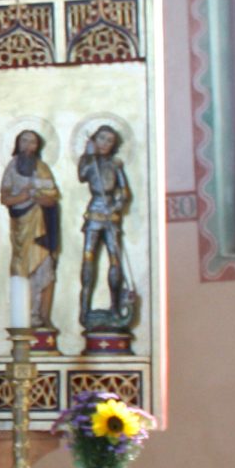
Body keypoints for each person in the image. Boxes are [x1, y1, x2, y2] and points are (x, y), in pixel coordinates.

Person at [0, 128, 61, 328]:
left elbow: (52, 198)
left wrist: (38, 197)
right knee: (22, 269)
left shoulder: (42, 167)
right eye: (24, 141)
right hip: (21, 228)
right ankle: (26, 316)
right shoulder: (11, 167)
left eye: (32, 142)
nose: (28, 146)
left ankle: (42, 316)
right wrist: (25, 196)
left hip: (40, 227)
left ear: (37, 146)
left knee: (44, 270)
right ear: (18, 144)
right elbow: (5, 198)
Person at [76, 124, 136, 327]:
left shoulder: (115, 165)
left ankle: (115, 308)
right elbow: (82, 176)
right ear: (94, 140)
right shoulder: (88, 162)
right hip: (94, 214)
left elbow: (125, 192)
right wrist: (89, 155)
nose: (105, 143)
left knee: (115, 259)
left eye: (109, 141)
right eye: (101, 139)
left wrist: (117, 207)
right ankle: (84, 309)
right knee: (88, 258)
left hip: (111, 215)